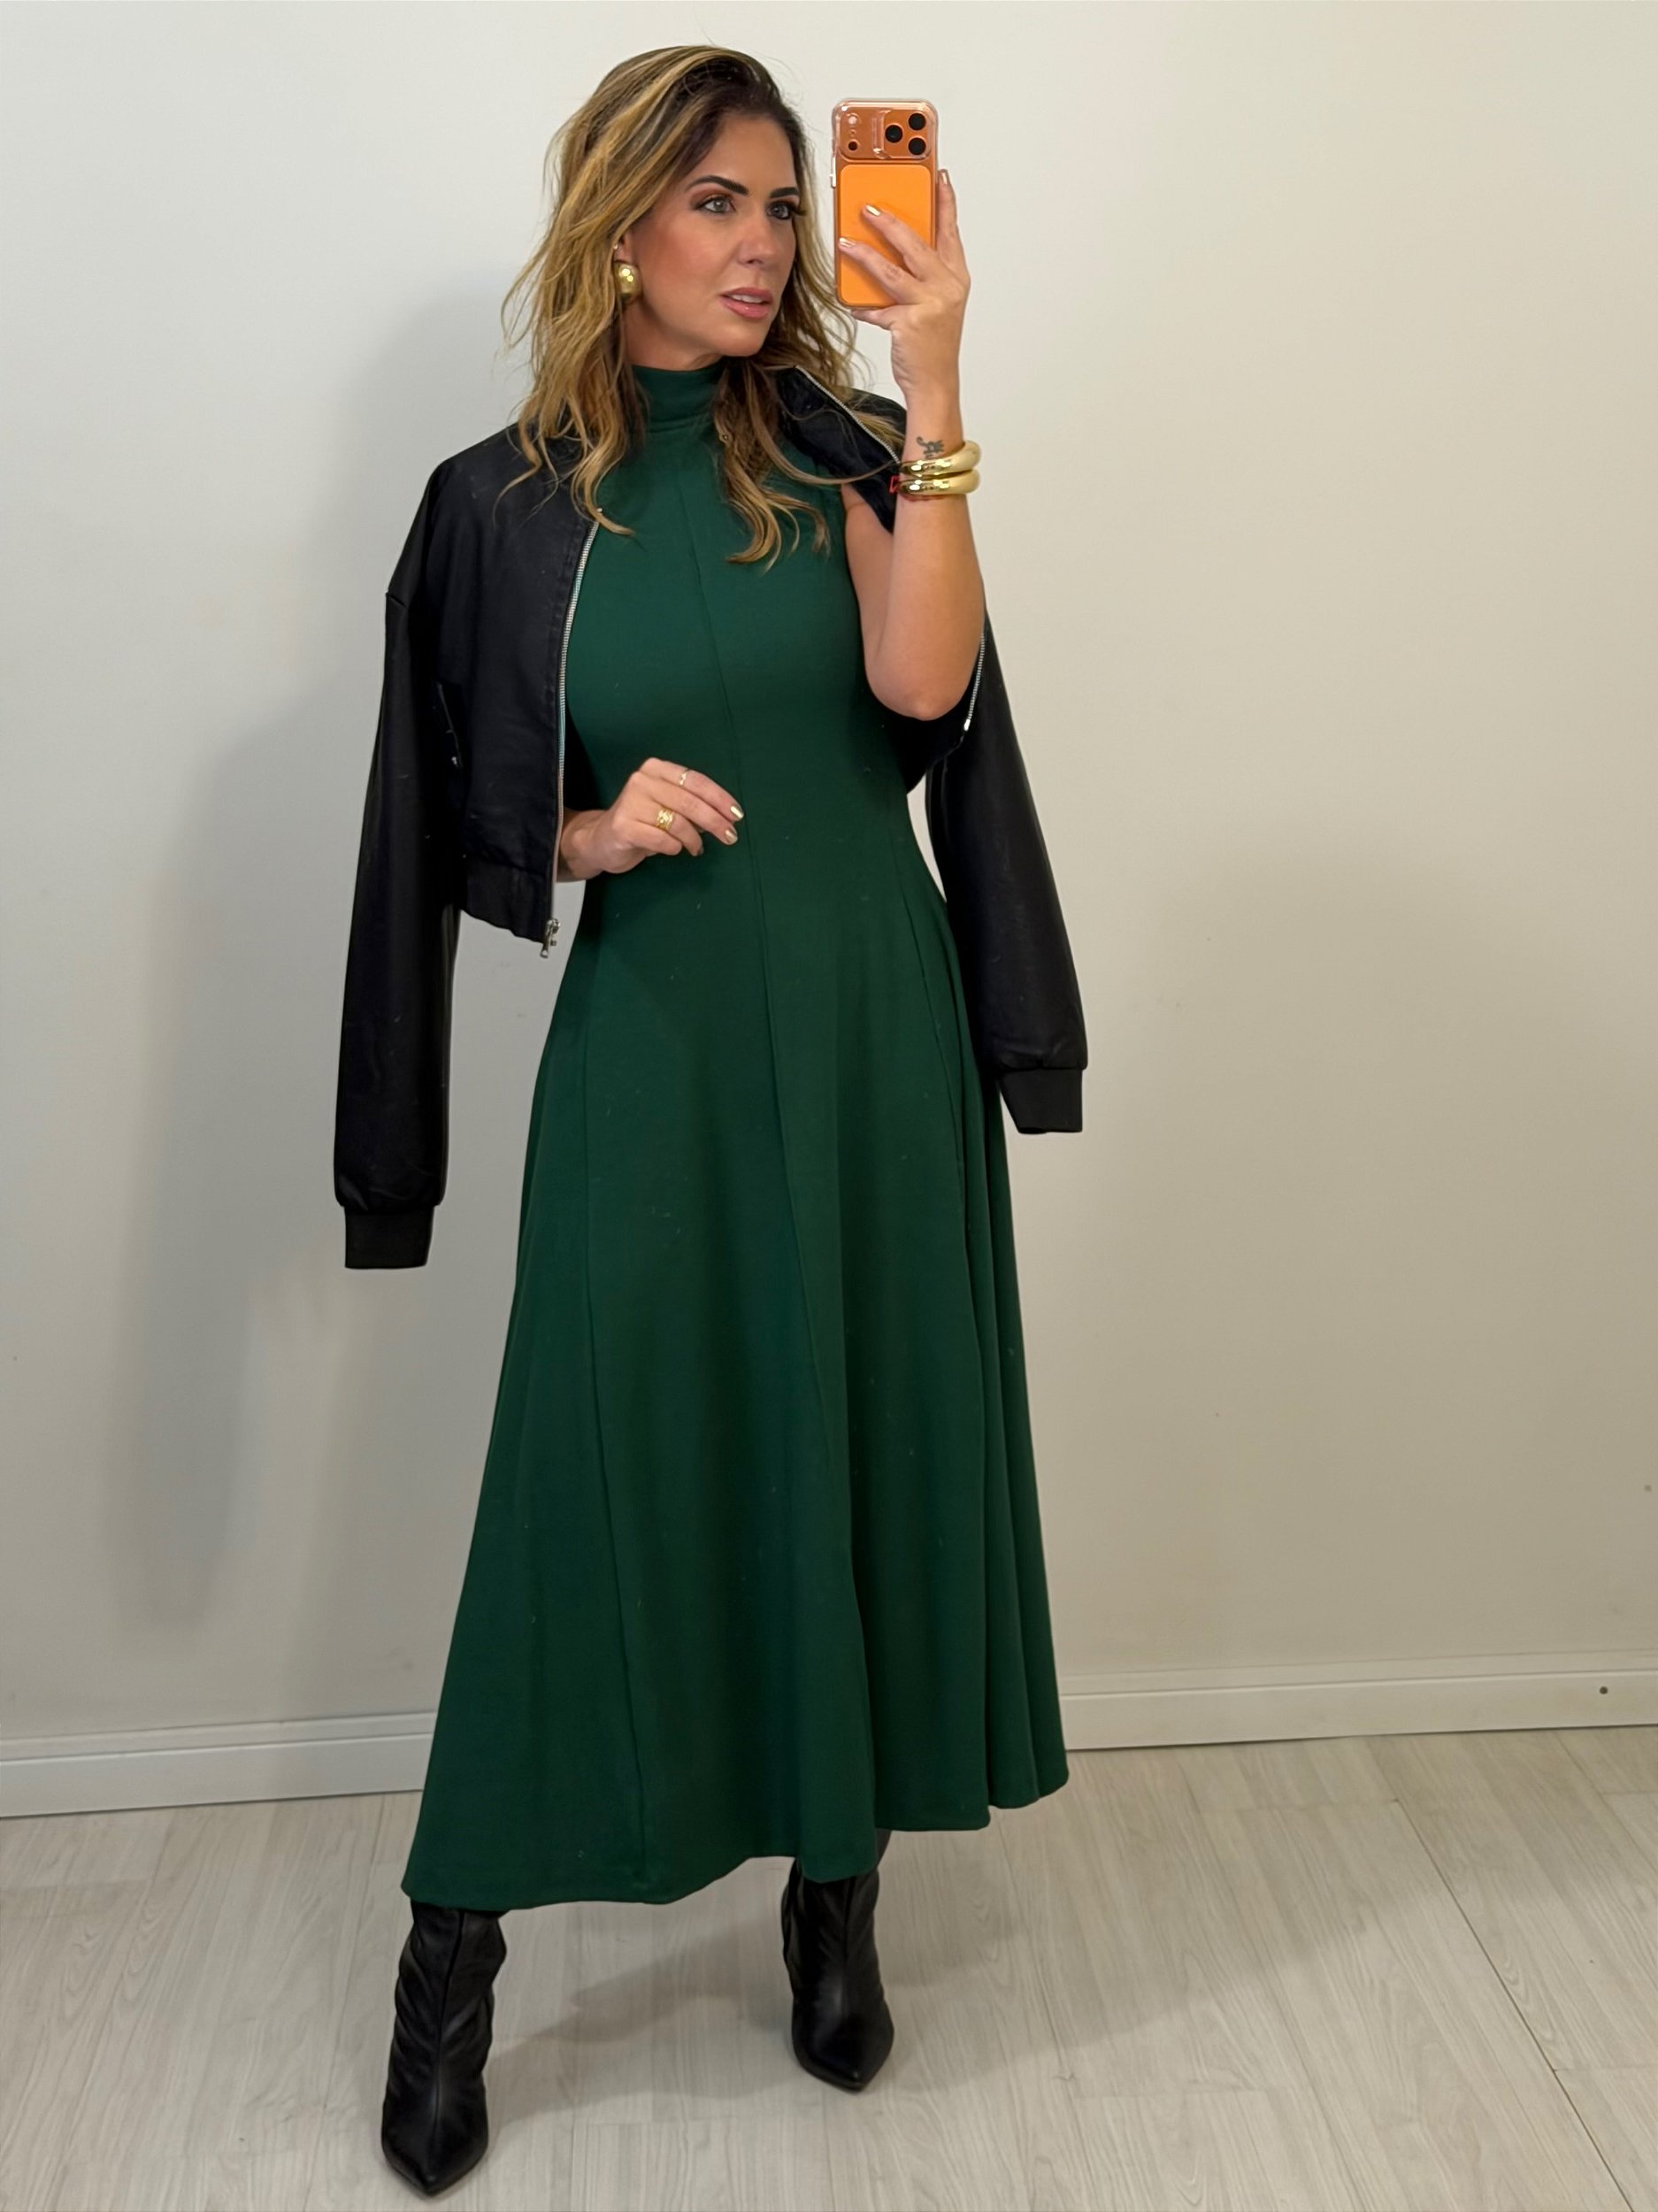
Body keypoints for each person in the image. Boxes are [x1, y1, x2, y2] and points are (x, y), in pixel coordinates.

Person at [333, 45, 1087, 2199]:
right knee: (589, 1479)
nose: (761, 246)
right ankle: (453, 1952)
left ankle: (835, 1894)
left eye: (780, 206)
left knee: (845, 1439)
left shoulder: (843, 442)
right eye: (715, 205)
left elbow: (926, 694)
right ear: (619, 228)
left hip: (868, 1024)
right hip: (652, 1042)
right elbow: (435, 808)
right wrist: (584, 831)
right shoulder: (498, 507)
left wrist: (935, 384)